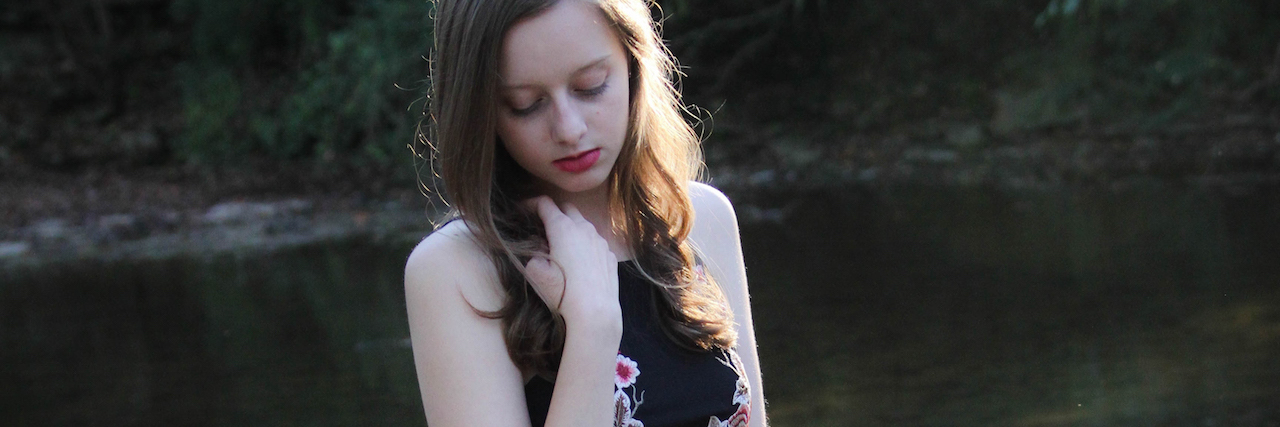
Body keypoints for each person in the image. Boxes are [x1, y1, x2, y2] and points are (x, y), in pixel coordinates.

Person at [404, 0, 767, 425]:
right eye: (526, 104)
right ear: (481, 111)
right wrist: (592, 328)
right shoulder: (456, 271)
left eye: (591, 86)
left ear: (634, 66)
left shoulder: (701, 219)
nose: (569, 129)